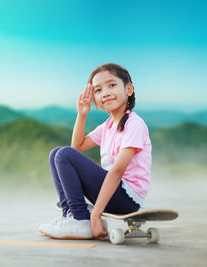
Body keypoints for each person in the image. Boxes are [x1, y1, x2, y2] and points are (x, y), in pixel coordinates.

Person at [39, 63, 152, 240]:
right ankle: (71, 214)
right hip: (112, 193)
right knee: (56, 153)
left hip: (126, 199)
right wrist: (82, 114)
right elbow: (76, 148)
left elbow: (116, 171)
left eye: (112, 85)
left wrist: (95, 214)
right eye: (98, 90)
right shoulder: (107, 126)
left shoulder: (134, 124)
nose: (105, 92)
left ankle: (81, 220)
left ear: (128, 89)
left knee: (63, 154)